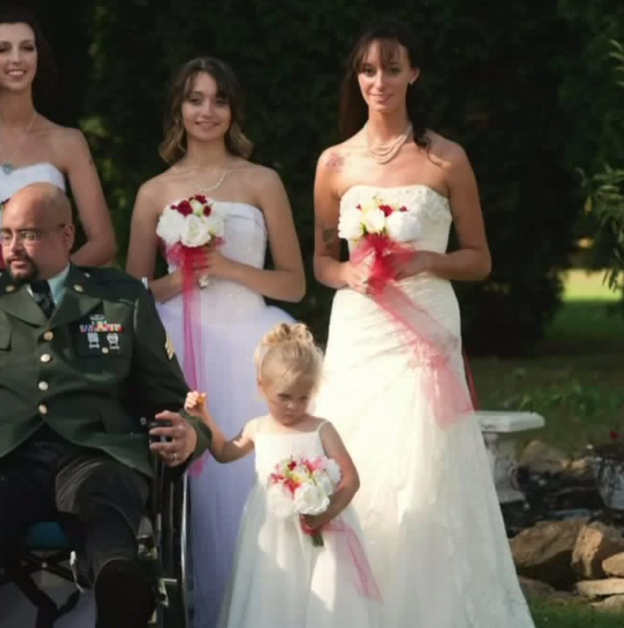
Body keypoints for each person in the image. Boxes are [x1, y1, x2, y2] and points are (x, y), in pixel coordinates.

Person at [0, 182, 211, 628]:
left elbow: (175, 398)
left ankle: (121, 597)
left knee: (106, 504)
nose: (13, 248)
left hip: (92, 451)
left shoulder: (120, 298)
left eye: (30, 235)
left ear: (67, 235)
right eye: (6, 235)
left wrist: (192, 432)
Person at [310, 20, 534, 626]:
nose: (379, 81)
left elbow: (480, 259)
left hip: (425, 323)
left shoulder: (446, 157)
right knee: (356, 448)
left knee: (424, 462)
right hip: (360, 325)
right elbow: (322, 259)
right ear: (356, 78)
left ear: (413, 73)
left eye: (391, 68)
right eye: (367, 70)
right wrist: (346, 272)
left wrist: (426, 260)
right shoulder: (334, 162)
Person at [123, 56, 304, 628]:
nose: (207, 111)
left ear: (233, 110)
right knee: (191, 492)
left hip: (248, 344)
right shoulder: (154, 191)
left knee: (252, 478)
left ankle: (265, 607)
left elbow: (294, 283)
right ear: (178, 108)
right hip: (179, 349)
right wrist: (179, 279)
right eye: (195, 99)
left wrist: (227, 268)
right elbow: (130, 293)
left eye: (219, 100)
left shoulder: (261, 181)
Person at [170, 323, 381, 627]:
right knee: (274, 593)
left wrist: (327, 511)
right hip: (272, 529)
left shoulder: (321, 428)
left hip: (318, 529)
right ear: (261, 386)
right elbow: (224, 452)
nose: (294, 406)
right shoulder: (257, 428)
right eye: (284, 397)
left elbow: (351, 479)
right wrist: (203, 415)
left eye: (303, 397)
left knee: (318, 592)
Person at [0, 4, 115, 271]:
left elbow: (103, 243)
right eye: (3, 49)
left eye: (27, 48)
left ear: (38, 57)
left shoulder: (68, 142)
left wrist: (49, 280)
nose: (16, 59)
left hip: (48, 290)